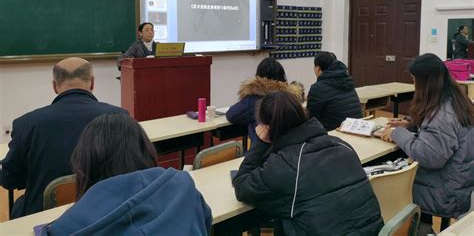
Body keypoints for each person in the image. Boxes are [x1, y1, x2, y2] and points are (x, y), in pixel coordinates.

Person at [232, 91, 384, 235]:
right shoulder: (341, 145)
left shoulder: (285, 165)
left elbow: (241, 185)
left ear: (268, 127)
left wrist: (260, 142)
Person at [41, 113, 212, 235]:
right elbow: (206, 222)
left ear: (86, 161)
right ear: (144, 149)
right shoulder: (184, 188)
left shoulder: (65, 228)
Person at [0, 58, 127, 218]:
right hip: (105, 211)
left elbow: (10, 181)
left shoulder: (26, 124)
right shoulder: (120, 117)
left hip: (45, 217)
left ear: (54, 86)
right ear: (92, 83)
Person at [381, 53, 474, 234]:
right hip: (460, 184)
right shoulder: (455, 98)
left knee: (390, 190)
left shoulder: (441, 115)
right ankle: (424, 228)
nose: (414, 85)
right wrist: (410, 124)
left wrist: (397, 133)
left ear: (427, 82)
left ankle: (420, 230)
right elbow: (439, 133)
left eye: (415, 80)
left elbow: (429, 156)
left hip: (446, 194)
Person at [226, 57, 304, 144]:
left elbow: (231, 115)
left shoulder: (254, 99)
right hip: (291, 148)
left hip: (263, 150)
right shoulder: (291, 98)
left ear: (258, 77)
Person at [306, 51, 363, 130]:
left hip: (334, 133)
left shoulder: (318, 88)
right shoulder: (347, 80)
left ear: (318, 68)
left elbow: (312, 120)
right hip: (356, 128)